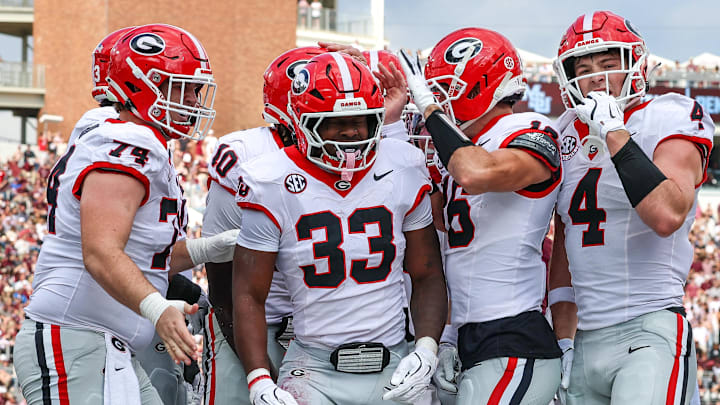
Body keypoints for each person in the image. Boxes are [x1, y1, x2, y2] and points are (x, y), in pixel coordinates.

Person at [12, 24, 235, 405]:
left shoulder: (144, 143)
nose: (195, 101)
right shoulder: (127, 139)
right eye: (183, 87)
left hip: (101, 345)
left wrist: (212, 247)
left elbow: (149, 256)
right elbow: (100, 251)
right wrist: (156, 306)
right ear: (141, 86)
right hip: (74, 338)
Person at [232, 52, 448, 405]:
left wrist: (425, 348)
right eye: (335, 122)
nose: (351, 132)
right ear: (303, 122)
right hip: (313, 369)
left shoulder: (402, 164)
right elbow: (248, 294)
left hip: (394, 363)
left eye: (362, 120)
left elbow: (425, 274)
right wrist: (258, 379)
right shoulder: (268, 179)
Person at [547, 10, 714, 405]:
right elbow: (565, 252)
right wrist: (564, 340)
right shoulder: (563, 133)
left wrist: (615, 131)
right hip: (584, 338)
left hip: (649, 329)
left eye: (608, 64)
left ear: (635, 65)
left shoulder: (669, 115)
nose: (596, 78)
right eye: (584, 68)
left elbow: (667, 214)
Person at [400, 27, 563, 404]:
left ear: (480, 86)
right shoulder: (464, 151)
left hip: (514, 338)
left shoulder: (528, 128)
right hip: (468, 337)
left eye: (442, 91)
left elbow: (478, 173)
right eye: (433, 94)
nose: (436, 101)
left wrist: (430, 110)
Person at [201, 45, 327, 405]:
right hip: (248, 322)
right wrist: (260, 373)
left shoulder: (357, 157)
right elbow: (222, 277)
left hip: (322, 331)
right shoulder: (246, 154)